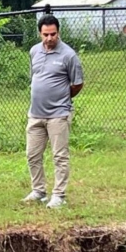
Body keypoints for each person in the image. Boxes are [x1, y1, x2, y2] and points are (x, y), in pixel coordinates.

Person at [23, 14, 84, 208]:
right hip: (35, 114)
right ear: (40, 33)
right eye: (45, 34)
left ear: (58, 32)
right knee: (32, 155)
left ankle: (59, 195)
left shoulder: (68, 55)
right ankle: (39, 190)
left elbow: (77, 84)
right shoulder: (34, 51)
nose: (49, 38)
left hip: (58, 114)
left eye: (53, 34)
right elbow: (35, 77)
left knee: (60, 156)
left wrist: (61, 99)